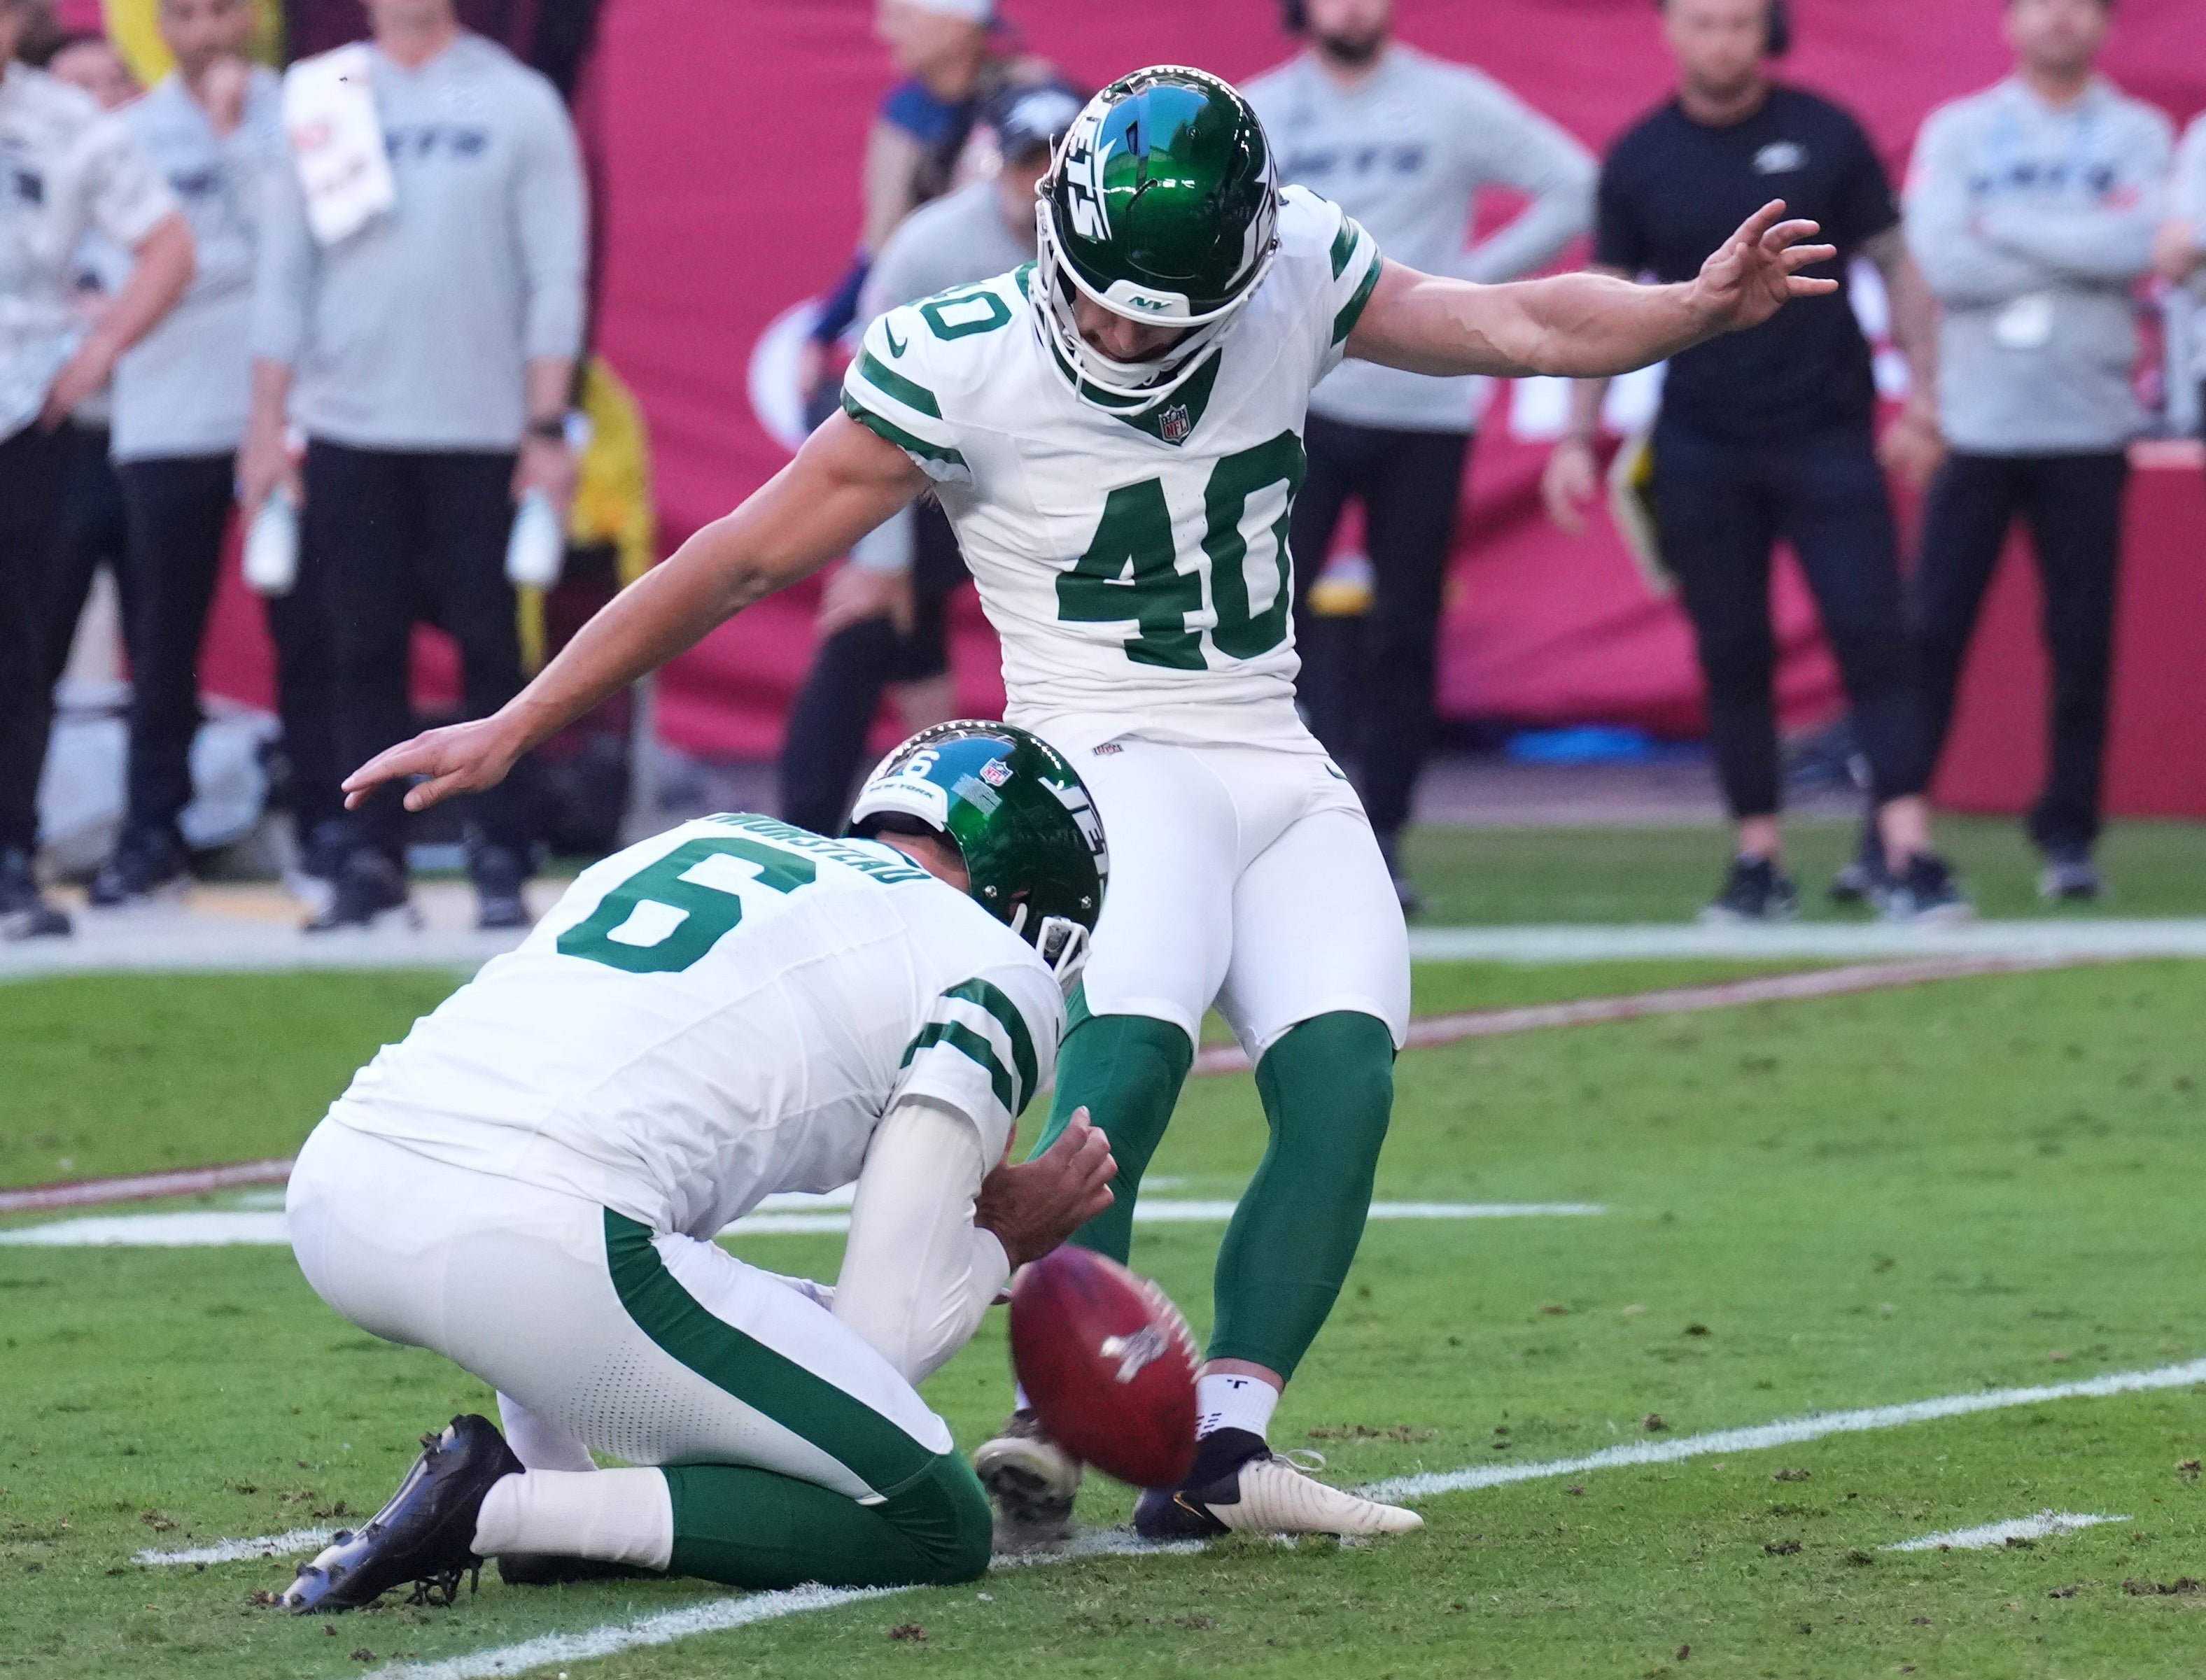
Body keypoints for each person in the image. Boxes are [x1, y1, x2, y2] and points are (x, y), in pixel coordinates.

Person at [339, 67, 1841, 1541]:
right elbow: (739, 556)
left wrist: (1690, 312)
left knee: (1345, 1076)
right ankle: (1053, 1416)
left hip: (1268, 736)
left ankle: (1225, 1443)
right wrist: (528, 717)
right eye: (1100, 293)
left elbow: (1505, 318)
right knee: (1127, 1046)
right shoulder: (961, 356)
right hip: (1102, 752)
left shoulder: (1298, 267)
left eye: (1160, 314)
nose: (1121, 330)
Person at [276, 722, 1115, 1611]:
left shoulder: (710, 837)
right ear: (1029, 901)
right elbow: (882, 1345)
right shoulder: (995, 968)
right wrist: (999, 1243)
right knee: (934, 1516)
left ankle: (548, 1485)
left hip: (341, 1189)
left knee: (609, 1199)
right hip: (535, 1241)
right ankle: (501, 1505)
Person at [1542, 0, 1965, 925]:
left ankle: (1908, 846)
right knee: (1732, 651)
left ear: (1767, 31)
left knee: (1872, 633)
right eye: (1702, 22)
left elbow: (1898, 264)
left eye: (1738, 22)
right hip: (1702, 440)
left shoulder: (1825, 133)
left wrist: (1926, 401)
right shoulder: (1641, 155)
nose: (1721, 40)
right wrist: (1578, 435)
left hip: (1826, 431)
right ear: (1670, 31)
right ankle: (1758, 858)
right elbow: (1602, 301)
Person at [239, 0, 588, 932]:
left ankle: (502, 850)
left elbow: (557, 270)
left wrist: (547, 424)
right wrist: (268, 423)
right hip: (349, 422)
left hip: (482, 427)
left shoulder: (517, 101)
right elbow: (284, 269)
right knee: (359, 645)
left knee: (490, 644)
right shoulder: (323, 93)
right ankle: (370, 855)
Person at [1244, 0, 1596, 912]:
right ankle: (1264, 838)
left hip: (1425, 406)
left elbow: (1575, 185)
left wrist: (1462, 289)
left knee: (1407, 633)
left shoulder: (1452, 100)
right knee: (1258, 630)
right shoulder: (1255, 111)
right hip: (1297, 403)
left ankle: (1385, 842)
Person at [1906, 0, 2170, 903]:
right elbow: (1942, 260)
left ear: (2105, 25)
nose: (2059, 21)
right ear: (2010, 22)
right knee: (1932, 632)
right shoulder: (1961, 127)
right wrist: (2074, 248)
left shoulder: (2138, 132)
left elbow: (2143, 245)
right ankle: (1895, 831)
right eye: (2041, 4)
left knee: (2082, 640)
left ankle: (2070, 836)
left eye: (2079, 6)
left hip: (2087, 424)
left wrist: (2006, 225)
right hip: (1977, 421)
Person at [81, 0, 342, 905]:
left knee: (311, 635)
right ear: (162, 26)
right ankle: (151, 838)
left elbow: (314, 252)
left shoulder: (308, 109)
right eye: (185, 14)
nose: (206, 31)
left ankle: (328, 832)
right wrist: (202, 265)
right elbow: (122, 272)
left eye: (223, 10)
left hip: (288, 414)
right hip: (166, 413)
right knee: (161, 643)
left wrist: (234, 146)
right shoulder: (130, 130)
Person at [778, 80, 1082, 836]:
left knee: (940, 638)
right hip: (907, 459)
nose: (1038, 184)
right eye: (1023, 164)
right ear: (992, 163)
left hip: (1018, 469)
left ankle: (942, 814)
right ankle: (817, 825)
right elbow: (867, 397)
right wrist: (879, 552)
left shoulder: (1111, 244)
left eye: (1055, 164)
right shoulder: (933, 244)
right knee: (872, 616)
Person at [0, 0, 194, 942]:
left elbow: (168, 246)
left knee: (18, 648)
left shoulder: (64, 121)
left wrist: (99, 350)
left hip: (21, 404)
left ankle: (8, 855)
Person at [798, 0, 1057, 413]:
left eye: (900, 16)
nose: (884, 31)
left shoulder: (1038, 104)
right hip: (929, 320)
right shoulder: (903, 112)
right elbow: (882, 242)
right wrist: (823, 332)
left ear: (957, 25)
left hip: (1024, 324)